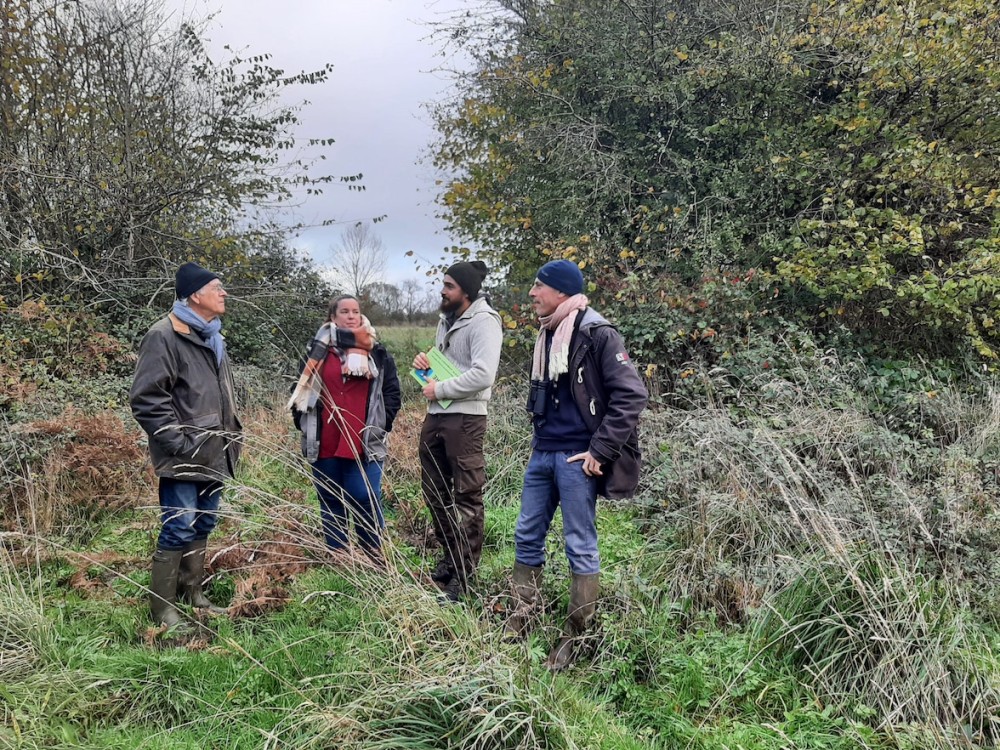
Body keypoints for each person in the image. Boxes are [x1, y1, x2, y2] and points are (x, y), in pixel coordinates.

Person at [506, 259, 648, 671]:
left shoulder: (597, 333)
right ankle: (522, 616)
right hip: (543, 451)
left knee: (579, 545)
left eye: (538, 286)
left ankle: (575, 636)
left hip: (575, 458)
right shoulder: (548, 331)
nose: (532, 293)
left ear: (561, 290)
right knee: (526, 534)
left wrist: (600, 451)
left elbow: (631, 396)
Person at [130, 262, 243, 629]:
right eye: (217, 287)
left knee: (204, 522)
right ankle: (162, 610)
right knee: (179, 527)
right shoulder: (163, 336)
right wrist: (179, 442)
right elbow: (147, 399)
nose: (224, 293)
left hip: (215, 451)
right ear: (195, 295)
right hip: (184, 454)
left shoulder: (214, 337)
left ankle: (192, 593)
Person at [412, 261, 503, 601]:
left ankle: (463, 580)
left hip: (465, 419)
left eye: (448, 285)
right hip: (437, 415)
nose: (443, 290)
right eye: (443, 284)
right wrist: (427, 362)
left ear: (465, 290)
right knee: (435, 493)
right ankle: (451, 557)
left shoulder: (484, 322)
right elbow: (450, 366)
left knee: (465, 496)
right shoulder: (446, 319)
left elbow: (483, 374)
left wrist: (442, 389)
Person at [288, 295, 401, 564]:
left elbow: (392, 393)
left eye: (356, 311)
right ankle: (339, 556)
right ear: (333, 317)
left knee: (363, 495)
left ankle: (373, 553)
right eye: (344, 311)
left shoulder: (377, 352)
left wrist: (382, 424)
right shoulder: (316, 352)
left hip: (364, 439)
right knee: (330, 498)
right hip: (325, 439)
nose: (351, 316)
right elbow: (299, 389)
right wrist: (303, 424)